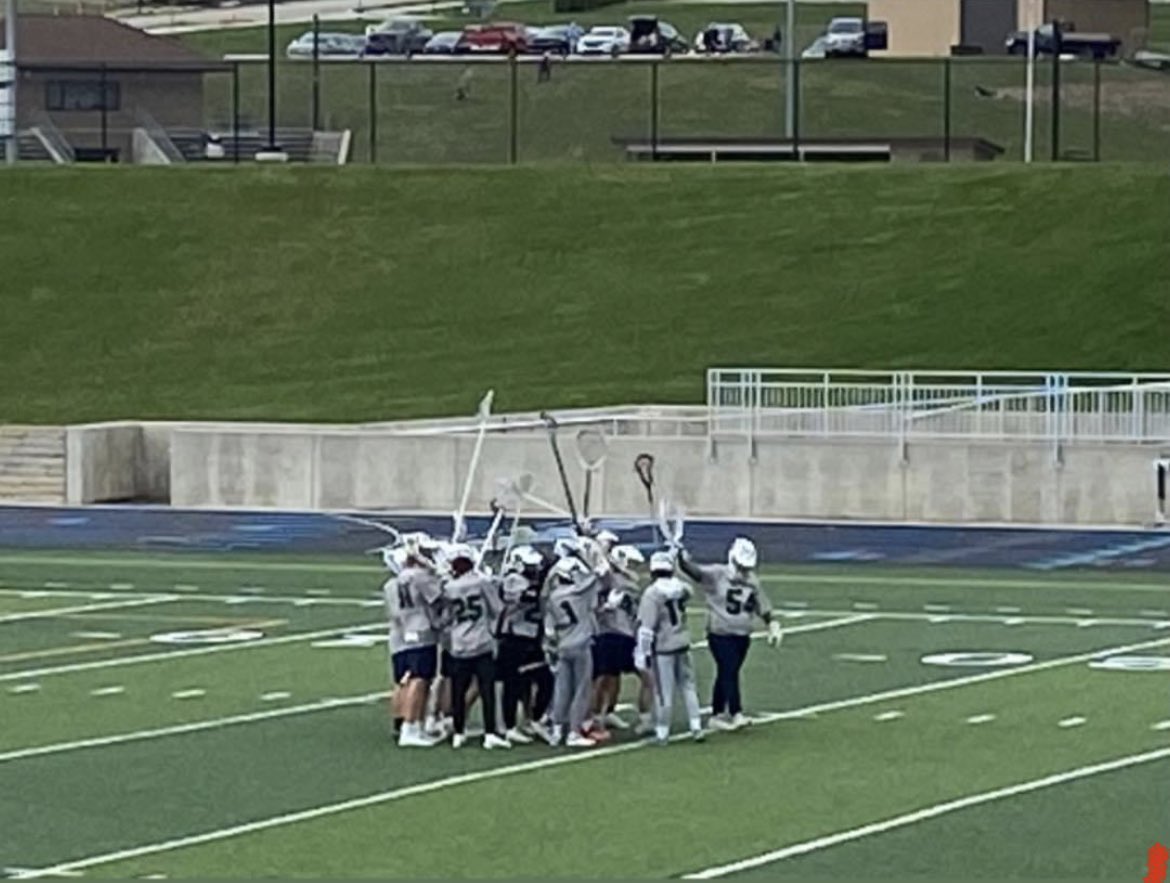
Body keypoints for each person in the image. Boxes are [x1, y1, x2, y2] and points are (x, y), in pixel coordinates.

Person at [679, 537, 782, 731]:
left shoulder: (751, 581)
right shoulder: (717, 574)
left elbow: (762, 604)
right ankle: (736, 712)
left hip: (742, 635)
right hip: (720, 633)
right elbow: (695, 572)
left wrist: (772, 623)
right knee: (729, 671)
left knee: (726, 673)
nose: (743, 571)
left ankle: (717, 714)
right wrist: (682, 560)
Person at [441, 545, 511, 750]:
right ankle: (489, 733)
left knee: (458, 690)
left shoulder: (449, 587)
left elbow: (446, 617)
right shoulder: (481, 582)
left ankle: (458, 732)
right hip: (481, 642)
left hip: (459, 643)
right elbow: (497, 609)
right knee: (486, 689)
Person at [636, 550, 704, 745]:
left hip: (664, 646)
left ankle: (662, 732)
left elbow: (646, 628)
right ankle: (696, 726)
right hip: (682, 641)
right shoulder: (682, 589)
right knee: (688, 686)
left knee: (663, 692)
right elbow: (688, 589)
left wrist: (642, 653)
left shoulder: (652, 594)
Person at [385, 534, 445, 748]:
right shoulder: (421, 577)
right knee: (420, 680)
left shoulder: (392, 583)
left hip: (400, 632)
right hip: (421, 631)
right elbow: (439, 600)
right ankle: (411, 726)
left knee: (402, 681)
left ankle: (401, 723)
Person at [543, 548, 604, 747]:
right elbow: (597, 575)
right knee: (581, 690)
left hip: (562, 645)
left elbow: (549, 628)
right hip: (580, 644)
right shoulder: (579, 591)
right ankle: (574, 732)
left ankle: (557, 730)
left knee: (561, 689)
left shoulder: (553, 597)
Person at [591, 544, 654, 734]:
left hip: (628, 635)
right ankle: (595, 719)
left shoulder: (630, 583)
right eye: (632, 564)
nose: (635, 569)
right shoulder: (607, 579)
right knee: (603, 679)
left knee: (643, 676)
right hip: (609, 634)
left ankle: (640, 717)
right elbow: (593, 599)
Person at [496, 544, 553, 744]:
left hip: (531, 637)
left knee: (541, 680)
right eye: (530, 567)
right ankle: (509, 725)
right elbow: (527, 597)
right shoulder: (512, 580)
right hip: (513, 638)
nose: (534, 570)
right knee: (513, 683)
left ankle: (532, 718)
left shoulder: (534, 580)